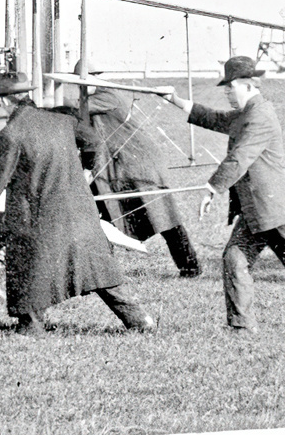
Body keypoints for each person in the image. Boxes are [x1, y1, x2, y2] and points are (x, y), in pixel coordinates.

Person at [157, 56, 285, 336]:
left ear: (247, 84)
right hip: (259, 210)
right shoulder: (247, 113)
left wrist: (212, 188)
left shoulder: (259, 116)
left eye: (230, 88)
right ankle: (242, 327)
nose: (227, 93)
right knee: (234, 260)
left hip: (273, 210)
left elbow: (240, 157)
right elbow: (213, 118)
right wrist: (174, 99)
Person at [0, 72, 154, 335]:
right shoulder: (62, 120)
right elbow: (94, 141)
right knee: (99, 272)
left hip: (39, 222)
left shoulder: (12, 134)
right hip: (79, 213)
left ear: (6, 102)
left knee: (29, 267)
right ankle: (140, 320)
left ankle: (31, 326)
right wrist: (87, 169)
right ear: (27, 95)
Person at [69, 61, 201, 277]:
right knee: (97, 213)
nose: (82, 87)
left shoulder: (107, 96)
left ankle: (191, 267)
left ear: (95, 77)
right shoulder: (92, 97)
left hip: (139, 164)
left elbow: (76, 110)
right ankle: (100, 270)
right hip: (117, 166)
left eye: (84, 81)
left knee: (164, 218)